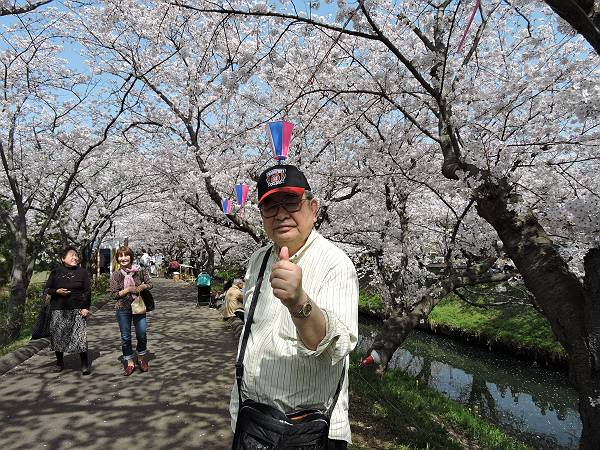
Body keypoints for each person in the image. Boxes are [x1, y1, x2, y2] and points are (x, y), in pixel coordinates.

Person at [229, 164, 359, 449]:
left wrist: (299, 301)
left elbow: (335, 346)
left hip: (306, 430)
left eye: (291, 202)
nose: (281, 214)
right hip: (252, 419)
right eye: (270, 206)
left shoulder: (336, 264)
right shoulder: (259, 259)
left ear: (313, 208)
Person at [44, 246, 92, 375]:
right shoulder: (55, 272)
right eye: (71, 255)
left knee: (80, 337)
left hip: (77, 309)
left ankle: (84, 364)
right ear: (62, 258)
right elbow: (47, 289)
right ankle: (59, 362)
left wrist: (86, 307)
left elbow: (87, 291)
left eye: (76, 255)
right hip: (58, 309)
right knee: (58, 337)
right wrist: (57, 291)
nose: (75, 257)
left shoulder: (82, 272)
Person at [110, 246, 153, 376]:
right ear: (117, 259)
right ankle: (129, 362)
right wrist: (128, 290)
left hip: (138, 306)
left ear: (131, 257)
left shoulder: (139, 271)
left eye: (126, 255)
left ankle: (140, 359)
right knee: (126, 336)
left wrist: (141, 287)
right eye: (120, 256)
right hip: (123, 308)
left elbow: (150, 284)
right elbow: (114, 295)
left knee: (142, 334)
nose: (123, 258)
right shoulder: (116, 275)